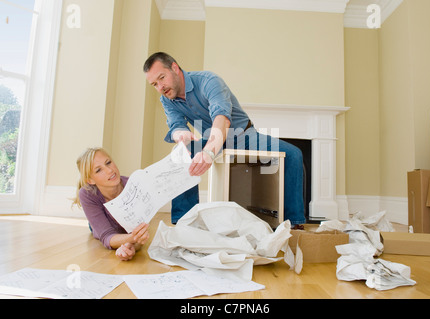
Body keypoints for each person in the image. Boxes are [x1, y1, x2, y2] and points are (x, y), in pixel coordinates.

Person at [143, 52, 305, 229]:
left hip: (243, 135)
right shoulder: (167, 100)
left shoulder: (208, 80)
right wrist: (181, 135)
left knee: (293, 154)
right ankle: (185, 222)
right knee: (179, 154)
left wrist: (208, 152)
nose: (160, 87)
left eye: (162, 78)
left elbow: (222, 117)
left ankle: (294, 223)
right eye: (154, 84)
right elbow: (175, 126)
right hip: (211, 139)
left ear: (174, 67)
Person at [73, 147, 150, 261]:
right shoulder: (87, 194)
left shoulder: (134, 186)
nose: (109, 170)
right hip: (102, 222)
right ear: (90, 180)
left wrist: (131, 246)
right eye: (99, 170)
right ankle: (94, 224)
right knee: (97, 229)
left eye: (108, 163)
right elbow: (106, 236)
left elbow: (139, 233)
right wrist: (132, 238)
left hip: (126, 228)